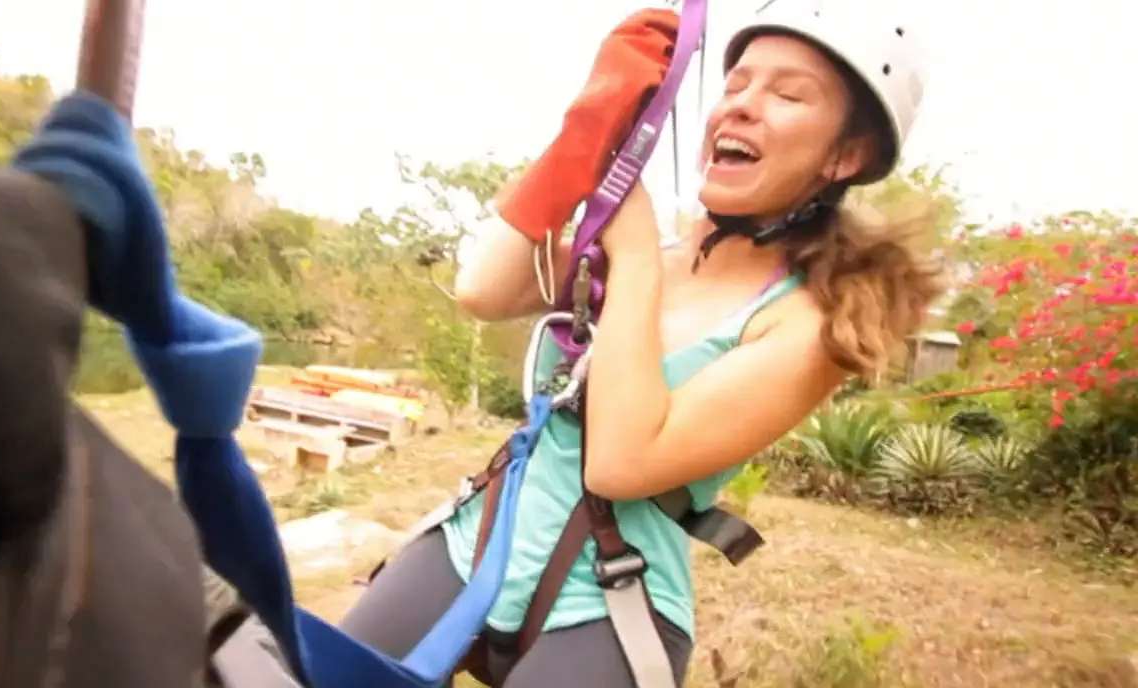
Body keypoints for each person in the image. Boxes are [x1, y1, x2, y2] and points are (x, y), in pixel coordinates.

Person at [337, 1, 945, 687]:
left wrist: (632, 261)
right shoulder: (646, 258)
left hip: (610, 598)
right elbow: (483, 288)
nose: (742, 105)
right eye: (736, 83)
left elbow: (620, 466)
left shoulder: (806, 325)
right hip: (477, 539)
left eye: (788, 94)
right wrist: (585, 133)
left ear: (844, 156)